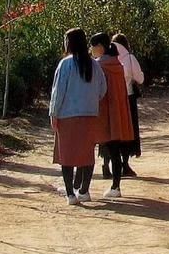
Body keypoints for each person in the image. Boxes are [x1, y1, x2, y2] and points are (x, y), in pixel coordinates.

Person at [50, 28, 107, 205]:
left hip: (68, 115)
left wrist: (53, 113)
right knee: (86, 154)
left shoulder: (65, 64)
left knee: (66, 155)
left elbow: (58, 92)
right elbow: (102, 90)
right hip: (89, 115)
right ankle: (84, 190)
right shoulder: (94, 65)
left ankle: (70, 194)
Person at [90, 32, 135, 198]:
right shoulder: (117, 64)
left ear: (100, 47)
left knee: (96, 149)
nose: (91, 50)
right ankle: (116, 186)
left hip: (103, 113)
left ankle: (82, 188)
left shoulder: (99, 66)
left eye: (93, 47)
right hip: (118, 111)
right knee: (115, 150)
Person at [112, 33, 144, 176]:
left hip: (111, 99)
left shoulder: (106, 57)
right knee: (127, 131)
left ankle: (107, 164)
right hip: (127, 98)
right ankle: (125, 164)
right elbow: (140, 79)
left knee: (111, 131)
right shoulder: (129, 58)